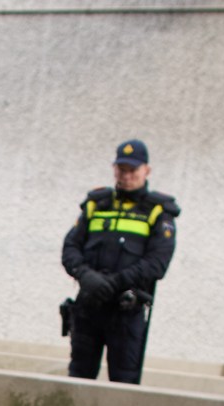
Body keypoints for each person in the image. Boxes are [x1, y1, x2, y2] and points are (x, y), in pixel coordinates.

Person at [61, 139, 177, 385]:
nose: (126, 176)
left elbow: (157, 263)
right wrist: (86, 275)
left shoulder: (157, 212)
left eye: (133, 170)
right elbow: (70, 247)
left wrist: (114, 283)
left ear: (146, 170)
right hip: (89, 306)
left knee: (124, 387)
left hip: (126, 311)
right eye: (121, 170)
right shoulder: (96, 204)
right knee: (77, 382)